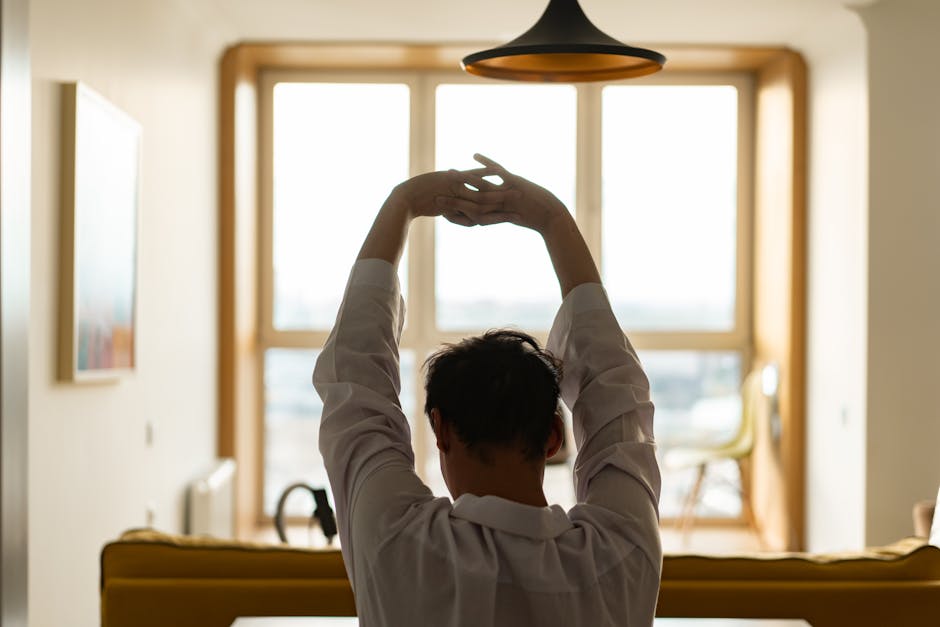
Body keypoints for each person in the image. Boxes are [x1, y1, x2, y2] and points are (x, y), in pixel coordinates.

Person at [313, 154, 661, 626]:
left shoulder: (395, 542)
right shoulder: (620, 554)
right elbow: (618, 399)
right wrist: (553, 221)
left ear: (441, 430)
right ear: (553, 438)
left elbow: (356, 380)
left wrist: (404, 203)